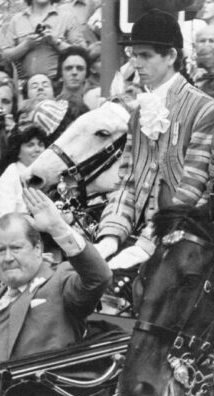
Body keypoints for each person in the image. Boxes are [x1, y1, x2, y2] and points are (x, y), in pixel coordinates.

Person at [95, 9, 214, 270]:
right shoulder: (138, 113)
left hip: (185, 241)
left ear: (171, 55)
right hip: (135, 236)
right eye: (134, 55)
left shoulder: (204, 109)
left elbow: (192, 189)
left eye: (145, 55)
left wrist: (147, 243)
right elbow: (127, 182)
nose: (137, 63)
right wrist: (110, 236)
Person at [0, 187, 111, 372]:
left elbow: (98, 277)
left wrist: (57, 227)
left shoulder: (60, 281)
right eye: (1, 250)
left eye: (16, 248)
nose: (8, 258)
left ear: (37, 249)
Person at [0, 0, 85, 81]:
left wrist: (56, 41)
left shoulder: (67, 18)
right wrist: (25, 46)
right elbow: (4, 56)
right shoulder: (16, 20)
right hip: (26, 85)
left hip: (58, 83)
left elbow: (82, 53)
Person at [0, 122, 46, 222]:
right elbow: (2, 220)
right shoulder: (11, 175)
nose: (38, 149)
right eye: (30, 145)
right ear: (17, 151)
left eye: (41, 144)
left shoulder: (48, 172)